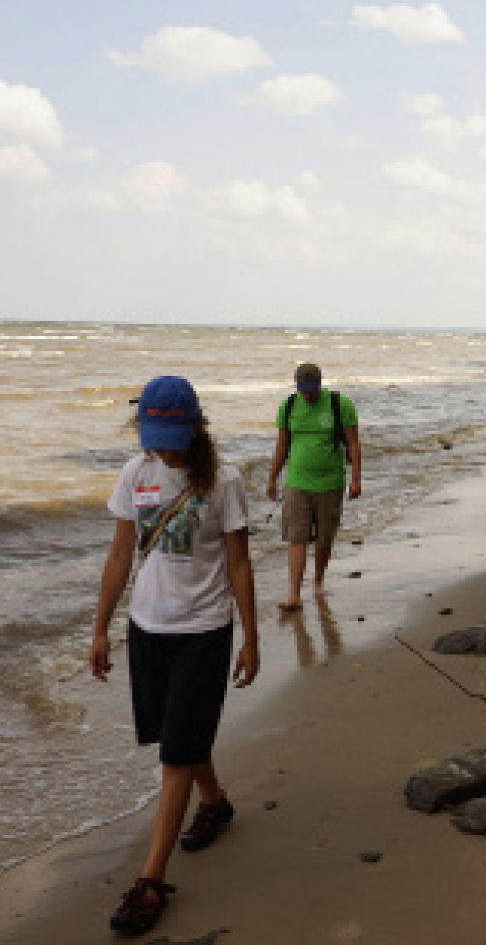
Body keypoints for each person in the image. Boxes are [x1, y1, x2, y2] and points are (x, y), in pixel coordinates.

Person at [90, 375, 259, 936]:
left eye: (171, 436)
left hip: (205, 630)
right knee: (176, 738)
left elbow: (239, 563)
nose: (162, 448)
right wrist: (99, 630)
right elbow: (119, 556)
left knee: (175, 754)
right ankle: (215, 803)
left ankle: (151, 878)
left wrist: (252, 638)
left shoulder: (224, 482)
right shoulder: (135, 474)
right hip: (147, 628)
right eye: (154, 436)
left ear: (195, 427)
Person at [267, 362, 361, 610]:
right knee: (296, 537)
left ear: (320, 384)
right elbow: (281, 446)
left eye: (311, 389)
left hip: (330, 483)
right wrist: (272, 478)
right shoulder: (288, 406)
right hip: (296, 483)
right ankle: (294, 595)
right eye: (302, 389)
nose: (306, 395)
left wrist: (356, 479)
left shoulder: (339, 405)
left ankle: (318, 580)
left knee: (323, 538)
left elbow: (353, 443)